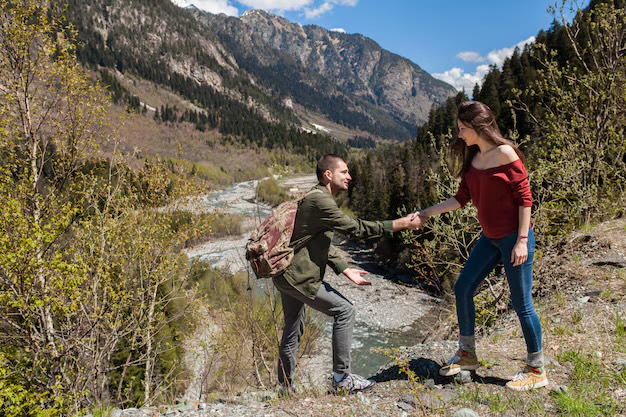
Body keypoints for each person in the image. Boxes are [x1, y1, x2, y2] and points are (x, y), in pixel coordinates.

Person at [412, 101, 547, 391]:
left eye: (463, 129)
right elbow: (461, 199)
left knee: (522, 304)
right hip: (490, 238)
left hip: (515, 238)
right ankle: (467, 354)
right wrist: (426, 213)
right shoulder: (473, 160)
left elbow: (525, 198)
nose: (459, 134)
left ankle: (537, 369)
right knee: (463, 288)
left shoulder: (506, 153)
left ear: (478, 127)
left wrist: (522, 240)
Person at [273, 154, 421, 393]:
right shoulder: (322, 202)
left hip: (284, 273)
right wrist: (401, 223)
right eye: (344, 172)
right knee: (345, 310)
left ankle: (284, 388)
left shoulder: (313, 196)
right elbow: (356, 229)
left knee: (293, 327)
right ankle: (342, 379)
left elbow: (317, 241)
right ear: (328, 174)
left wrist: (343, 268)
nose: (350, 176)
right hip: (299, 276)